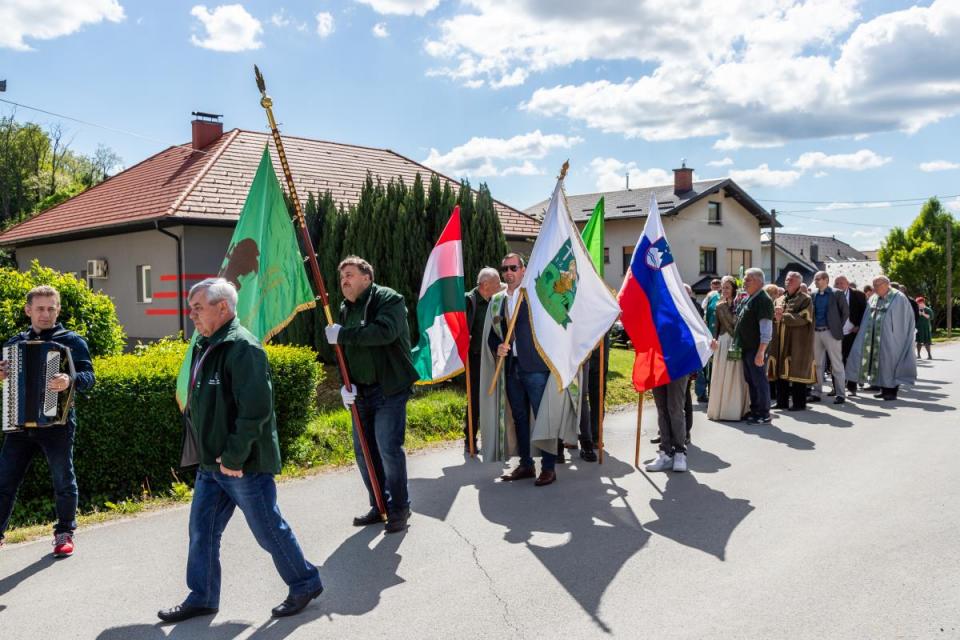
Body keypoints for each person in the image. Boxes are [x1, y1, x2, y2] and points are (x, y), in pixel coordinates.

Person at [159, 278, 322, 623]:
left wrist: (233, 456)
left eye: (198, 308)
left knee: (268, 530)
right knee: (202, 532)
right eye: (191, 309)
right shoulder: (207, 344)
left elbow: (256, 410)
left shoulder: (242, 347)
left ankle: (305, 582)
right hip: (211, 464)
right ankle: (202, 596)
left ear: (223, 307)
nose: (192, 315)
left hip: (242, 464)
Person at [325, 256, 419, 534]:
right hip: (360, 391)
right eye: (342, 277)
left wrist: (344, 335)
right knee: (363, 451)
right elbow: (344, 352)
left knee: (387, 448)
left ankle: (399, 508)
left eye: (350, 275)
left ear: (367, 277)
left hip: (389, 388)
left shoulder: (389, 299)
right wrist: (345, 385)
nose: (344, 281)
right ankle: (380, 504)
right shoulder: (345, 309)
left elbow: (384, 332)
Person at [0, 286, 94, 558]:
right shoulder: (14, 344)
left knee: (63, 479)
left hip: (57, 425)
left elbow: (89, 377)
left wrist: (69, 379)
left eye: (51, 308)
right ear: (28, 310)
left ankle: (64, 532)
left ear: (58, 310)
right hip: (18, 424)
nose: (46, 314)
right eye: (40, 308)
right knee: (4, 481)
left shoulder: (72, 341)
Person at [480, 253, 580, 487]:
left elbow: (555, 325)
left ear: (523, 270)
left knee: (544, 416)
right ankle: (526, 464)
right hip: (511, 367)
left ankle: (548, 468)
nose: (508, 272)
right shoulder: (497, 300)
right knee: (519, 418)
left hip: (536, 366)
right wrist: (498, 347)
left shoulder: (535, 295)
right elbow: (492, 335)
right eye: (505, 268)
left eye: (513, 268)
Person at [845, 277, 917, 401]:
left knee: (890, 362)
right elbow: (867, 316)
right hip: (872, 336)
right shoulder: (874, 297)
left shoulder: (898, 298)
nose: (875, 288)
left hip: (892, 337)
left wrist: (897, 337)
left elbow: (903, 320)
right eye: (874, 285)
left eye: (878, 285)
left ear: (887, 284)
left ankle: (891, 391)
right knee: (877, 362)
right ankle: (883, 389)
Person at [464, 267, 503, 452]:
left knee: (494, 397)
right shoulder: (468, 300)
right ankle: (470, 438)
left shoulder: (495, 300)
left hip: (494, 356)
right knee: (475, 399)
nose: (500, 286)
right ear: (485, 285)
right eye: (497, 283)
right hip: (475, 358)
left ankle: (493, 437)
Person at [769, 272, 816, 411]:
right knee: (780, 371)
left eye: (792, 280)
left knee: (797, 371)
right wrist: (775, 316)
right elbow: (773, 317)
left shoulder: (805, 299)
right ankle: (781, 402)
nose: (788, 281)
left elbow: (805, 318)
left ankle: (799, 403)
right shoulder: (779, 299)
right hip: (780, 340)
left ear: (799, 282)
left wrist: (783, 316)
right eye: (787, 279)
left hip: (797, 341)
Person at [707, 276, 750, 421]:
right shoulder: (719, 306)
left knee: (736, 376)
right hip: (723, 342)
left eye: (727, 287)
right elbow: (716, 327)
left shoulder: (741, 304)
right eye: (723, 288)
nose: (724, 290)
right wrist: (714, 340)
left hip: (736, 342)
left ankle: (735, 410)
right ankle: (721, 410)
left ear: (733, 289)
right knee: (721, 376)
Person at [734, 268, 774, 424]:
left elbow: (766, 329)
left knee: (759, 380)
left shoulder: (763, 300)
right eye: (744, 279)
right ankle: (755, 410)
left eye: (748, 280)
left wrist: (761, 351)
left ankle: (764, 413)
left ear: (758, 281)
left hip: (756, 348)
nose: (744, 282)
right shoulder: (749, 298)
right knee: (751, 380)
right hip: (747, 347)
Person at [810, 271, 849, 405]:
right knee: (817, 364)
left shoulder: (837, 293)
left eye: (818, 279)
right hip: (816, 332)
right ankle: (816, 392)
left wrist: (836, 326)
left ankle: (840, 394)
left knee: (836, 364)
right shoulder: (813, 294)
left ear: (826, 279)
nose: (815, 281)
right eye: (815, 279)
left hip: (831, 332)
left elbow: (845, 312)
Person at [645, 375, 691, 473]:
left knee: (676, 408)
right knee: (661, 409)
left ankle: (680, 452)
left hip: (678, 368)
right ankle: (665, 453)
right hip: (658, 368)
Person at [834, 275, 867, 396]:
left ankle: (852, 386)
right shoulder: (831, 295)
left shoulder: (858, 295)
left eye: (841, 283)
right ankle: (837, 388)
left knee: (852, 359)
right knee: (837, 360)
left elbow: (864, 312)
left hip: (852, 332)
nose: (839, 285)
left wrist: (858, 325)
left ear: (847, 284)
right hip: (836, 333)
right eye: (837, 283)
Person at [697, 279, 722, 402]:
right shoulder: (708, 298)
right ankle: (702, 393)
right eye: (714, 284)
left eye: (718, 284)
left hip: (715, 336)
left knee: (712, 366)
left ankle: (713, 394)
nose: (716, 286)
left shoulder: (720, 298)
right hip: (704, 337)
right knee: (703, 366)